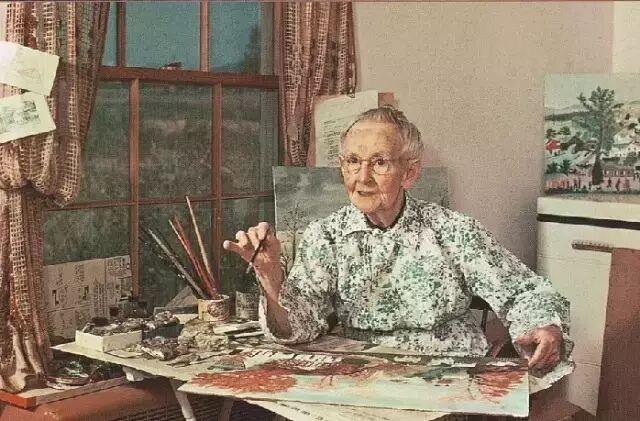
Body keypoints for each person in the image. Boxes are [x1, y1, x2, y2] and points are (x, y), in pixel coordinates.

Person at [224, 106, 573, 382]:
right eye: (353, 162)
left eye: (379, 162)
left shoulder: (454, 231)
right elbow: (299, 327)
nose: (363, 177)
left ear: (410, 173)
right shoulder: (325, 236)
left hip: (449, 378)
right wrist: (270, 278)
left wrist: (544, 327)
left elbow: (525, 292)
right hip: (362, 380)